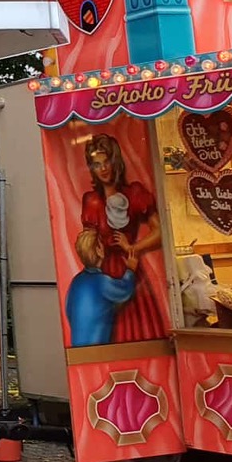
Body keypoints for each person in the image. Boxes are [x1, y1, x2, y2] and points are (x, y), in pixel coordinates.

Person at [79, 133, 168, 342]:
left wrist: (133, 248)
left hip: (131, 267)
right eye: (96, 164)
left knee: (139, 328)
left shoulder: (134, 193)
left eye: (107, 162)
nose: (103, 169)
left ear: (115, 161)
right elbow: (87, 243)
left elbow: (160, 232)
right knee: (108, 332)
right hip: (104, 273)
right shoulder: (91, 201)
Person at [64, 228, 138, 347]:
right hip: (97, 348)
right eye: (101, 244)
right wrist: (130, 269)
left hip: (77, 348)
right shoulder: (101, 281)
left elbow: (68, 309)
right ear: (98, 250)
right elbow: (124, 290)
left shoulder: (76, 281)